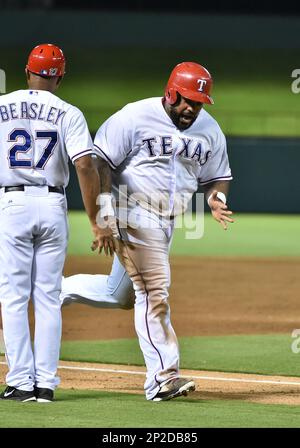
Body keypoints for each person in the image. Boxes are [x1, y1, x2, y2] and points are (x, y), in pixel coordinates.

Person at [61, 61, 233, 401]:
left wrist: (216, 197)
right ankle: (162, 378)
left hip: (167, 222)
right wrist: (105, 212)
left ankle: (52, 290)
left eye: (198, 102)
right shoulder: (134, 117)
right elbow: (100, 161)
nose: (190, 108)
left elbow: (219, 174)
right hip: (132, 213)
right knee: (154, 291)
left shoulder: (209, 129)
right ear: (170, 91)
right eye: (185, 100)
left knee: (120, 294)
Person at [0, 43, 109, 402]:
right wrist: (95, 219)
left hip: (12, 201)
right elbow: (83, 164)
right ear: (60, 77)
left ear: (26, 71)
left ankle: (20, 383)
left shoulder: (2, 105)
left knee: (13, 297)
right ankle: (46, 384)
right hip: (52, 203)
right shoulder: (69, 112)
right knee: (48, 296)